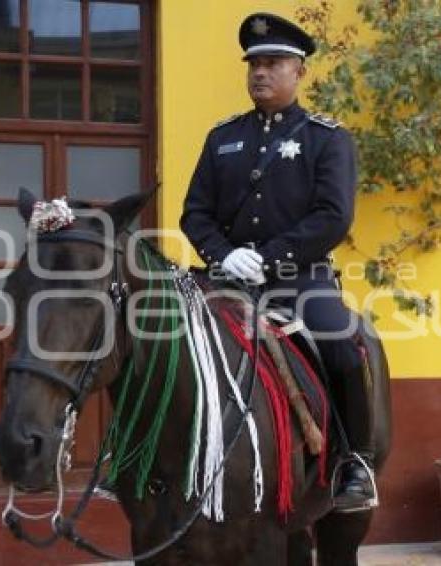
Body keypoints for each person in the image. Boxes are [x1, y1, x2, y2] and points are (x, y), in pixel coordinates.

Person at [179, 12, 376, 511]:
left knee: (344, 344)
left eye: (272, 63)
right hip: (224, 278)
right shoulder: (222, 137)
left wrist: (266, 260)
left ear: (299, 72)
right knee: (159, 338)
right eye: (253, 64)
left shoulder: (327, 138)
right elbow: (194, 213)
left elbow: (334, 216)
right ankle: (138, 457)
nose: (260, 73)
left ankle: (353, 462)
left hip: (298, 279)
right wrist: (225, 255)